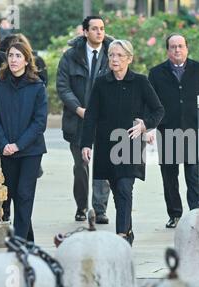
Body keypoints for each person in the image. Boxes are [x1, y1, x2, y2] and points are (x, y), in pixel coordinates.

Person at [80, 40, 164, 245]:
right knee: (117, 191)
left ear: (129, 59)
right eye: (111, 55)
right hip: (107, 146)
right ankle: (127, 228)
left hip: (130, 145)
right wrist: (86, 144)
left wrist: (145, 125)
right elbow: (91, 116)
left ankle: (122, 236)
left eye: (119, 55)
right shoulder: (101, 83)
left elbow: (158, 110)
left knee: (125, 187)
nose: (114, 59)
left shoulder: (141, 82)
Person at [149, 34, 199, 228]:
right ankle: (175, 214)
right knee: (169, 177)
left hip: (193, 130)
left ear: (187, 48)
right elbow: (151, 103)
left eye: (180, 46)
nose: (177, 50)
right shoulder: (156, 73)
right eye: (173, 47)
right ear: (167, 50)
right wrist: (151, 127)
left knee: (194, 175)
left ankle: (195, 212)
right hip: (167, 131)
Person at [57, 16, 112, 223]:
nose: (99, 32)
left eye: (102, 28)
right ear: (85, 32)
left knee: (103, 166)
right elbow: (63, 86)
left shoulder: (111, 54)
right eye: (95, 29)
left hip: (104, 120)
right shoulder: (70, 57)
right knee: (81, 166)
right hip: (78, 120)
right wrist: (79, 109)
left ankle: (100, 209)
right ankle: (82, 206)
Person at [0, 42, 48, 241]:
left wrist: (18, 144)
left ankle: (19, 241)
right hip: (7, 150)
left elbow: (39, 122)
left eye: (18, 56)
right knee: (15, 195)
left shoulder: (37, 86)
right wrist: (3, 143)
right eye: (11, 56)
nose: (13, 60)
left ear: (26, 60)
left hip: (30, 151)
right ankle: (28, 239)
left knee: (24, 194)